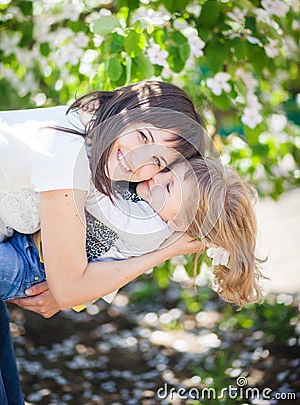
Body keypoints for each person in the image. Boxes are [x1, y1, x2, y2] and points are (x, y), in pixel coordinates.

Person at [0, 80, 206, 404]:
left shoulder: (91, 143)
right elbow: (68, 290)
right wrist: (169, 250)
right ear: (123, 111)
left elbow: (93, 261)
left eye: (158, 161)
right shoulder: (67, 151)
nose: (140, 163)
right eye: (142, 136)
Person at [1, 158, 263, 311]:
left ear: (181, 220)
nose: (157, 178)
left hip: (32, 264)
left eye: (169, 187)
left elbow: (94, 199)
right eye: (168, 171)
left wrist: (79, 157)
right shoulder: (153, 209)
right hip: (33, 248)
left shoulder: (145, 222)